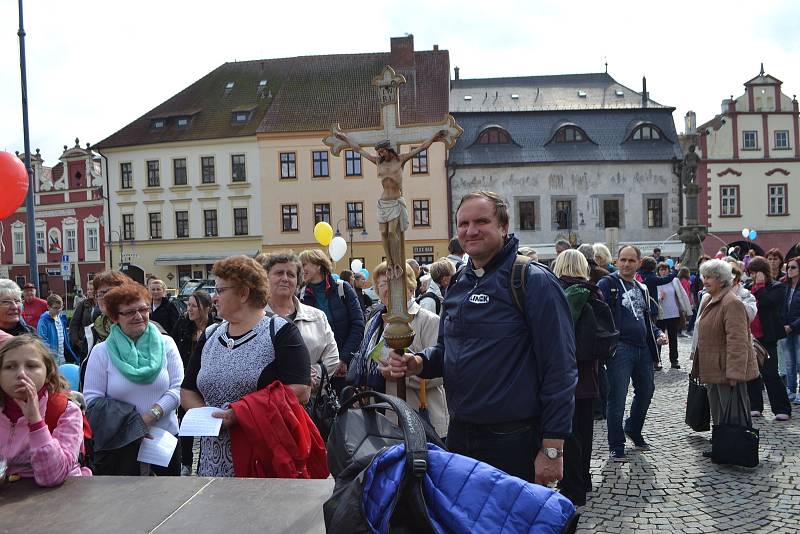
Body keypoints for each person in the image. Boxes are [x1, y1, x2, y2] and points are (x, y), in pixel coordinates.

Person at [383, 191, 576, 484]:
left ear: (503, 225)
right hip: (462, 433)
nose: (470, 231)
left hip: (514, 438)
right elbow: (448, 351)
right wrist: (417, 362)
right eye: (463, 223)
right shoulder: (459, 282)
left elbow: (560, 368)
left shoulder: (531, 280)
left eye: (481, 221)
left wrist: (553, 448)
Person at [181, 255, 311, 477]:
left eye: (221, 291)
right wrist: (206, 418)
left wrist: (240, 414)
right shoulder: (211, 334)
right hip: (211, 462)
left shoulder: (280, 332)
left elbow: (300, 390)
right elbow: (188, 390)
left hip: (261, 459)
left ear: (243, 293)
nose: (214, 297)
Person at [83, 282, 184, 475]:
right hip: (121, 444)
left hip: (164, 440)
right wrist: (133, 426)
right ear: (114, 317)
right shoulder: (101, 352)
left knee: (170, 501)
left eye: (143, 309)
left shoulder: (167, 343)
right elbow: (92, 401)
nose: (139, 316)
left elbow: (178, 388)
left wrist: (151, 415)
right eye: (129, 312)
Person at [351, 261, 448, 438]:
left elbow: (442, 373)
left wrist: (404, 373)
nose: (388, 288)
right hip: (381, 417)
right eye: (382, 284)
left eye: (394, 283)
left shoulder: (428, 320)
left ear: (410, 286)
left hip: (419, 420)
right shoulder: (373, 323)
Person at [335, 130, 447, 275]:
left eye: (382, 151)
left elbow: (421, 148)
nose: (380, 154)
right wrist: (345, 139)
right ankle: (389, 263)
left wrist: (434, 137)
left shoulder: (401, 159)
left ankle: (396, 263)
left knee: (392, 232)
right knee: (383, 232)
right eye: (379, 152)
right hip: (383, 202)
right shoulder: (377, 161)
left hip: (395, 202)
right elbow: (358, 150)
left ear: (388, 150)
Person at [597, 245, 667, 462]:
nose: (626, 264)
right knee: (617, 398)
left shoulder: (641, 287)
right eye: (623, 260)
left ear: (638, 263)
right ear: (617, 261)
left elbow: (645, 318)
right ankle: (616, 445)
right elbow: (599, 315)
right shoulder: (607, 284)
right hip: (621, 348)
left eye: (631, 261)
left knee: (646, 391)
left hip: (643, 348)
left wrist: (656, 333)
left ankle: (633, 429)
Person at [0, 335, 89, 486]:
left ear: (48, 374)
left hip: (58, 499)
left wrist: (35, 422)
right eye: (10, 367)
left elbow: (53, 476)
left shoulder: (66, 411)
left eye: (31, 366)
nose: (21, 373)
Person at [552, 250, 604, 507]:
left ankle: (573, 488)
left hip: (564, 373)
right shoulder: (594, 292)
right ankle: (584, 478)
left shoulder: (556, 292)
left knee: (568, 431)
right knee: (585, 430)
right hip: (590, 372)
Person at [691, 260, 758, 453]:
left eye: (709, 277)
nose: (705, 280)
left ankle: (736, 449)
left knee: (732, 413)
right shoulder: (710, 299)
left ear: (721, 280)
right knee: (719, 411)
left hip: (727, 370)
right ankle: (721, 446)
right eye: (704, 276)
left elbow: (738, 341)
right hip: (713, 368)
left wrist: (735, 372)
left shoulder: (732, 302)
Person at [260, 252, 339, 387]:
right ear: (266, 278)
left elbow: (332, 358)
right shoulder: (255, 318)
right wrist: (298, 378)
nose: (285, 278)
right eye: (279, 273)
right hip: (268, 402)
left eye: (291, 275)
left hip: (312, 402)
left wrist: (310, 381)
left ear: (298, 281)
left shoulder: (317, 317)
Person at [299, 249, 364, 387]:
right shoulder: (302, 295)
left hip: (343, 369)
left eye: (305, 264)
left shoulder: (342, 288)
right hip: (315, 372)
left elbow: (358, 325)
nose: (301, 268)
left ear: (318, 265)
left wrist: (344, 359)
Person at [170, 290, 217, 476]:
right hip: (186, 381)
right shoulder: (182, 326)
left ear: (206, 308)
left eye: (193, 306)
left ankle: (209, 459)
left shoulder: (216, 328)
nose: (189, 309)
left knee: (208, 422)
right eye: (188, 305)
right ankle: (187, 462)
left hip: (207, 381)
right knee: (186, 422)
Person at [745, 257, 791, 421]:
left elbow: (767, 303)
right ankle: (755, 405)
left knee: (770, 373)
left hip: (768, 336)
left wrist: (759, 287)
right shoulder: (748, 287)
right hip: (751, 337)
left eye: (757, 272)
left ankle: (781, 407)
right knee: (752, 373)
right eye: (751, 273)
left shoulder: (777, 287)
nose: (754, 276)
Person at [655, 262, 692, 369]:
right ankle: (657, 360)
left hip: (673, 313)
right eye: (661, 270)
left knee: (673, 338)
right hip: (661, 314)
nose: (663, 271)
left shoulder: (674, 281)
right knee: (659, 338)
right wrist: (659, 298)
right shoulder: (657, 282)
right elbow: (653, 297)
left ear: (668, 270)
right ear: (658, 271)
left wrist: (685, 308)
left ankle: (674, 360)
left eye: (665, 269)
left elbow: (682, 294)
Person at [36, 295, 78, 366]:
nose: (58, 311)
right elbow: (42, 340)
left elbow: (64, 339)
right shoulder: (43, 321)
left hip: (62, 358)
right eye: (55, 308)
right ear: (48, 307)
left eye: (60, 308)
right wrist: (51, 356)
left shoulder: (61, 318)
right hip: (51, 359)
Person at [783, 257, 800, 403]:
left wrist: (792, 326)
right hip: (786, 330)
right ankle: (791, 389)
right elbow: (782, 309)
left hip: (797, 329)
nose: (789, 270)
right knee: (789, 362)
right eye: (788, 267)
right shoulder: (786, 286)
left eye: (793, 267)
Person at [69, 287, 97, 362]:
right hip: (84, 343)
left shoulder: (104, 305)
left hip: (98, 343)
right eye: (88, 289)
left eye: (91, 289)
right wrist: (77, 341)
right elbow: (74, 323)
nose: (89, 291)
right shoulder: (83, 304)